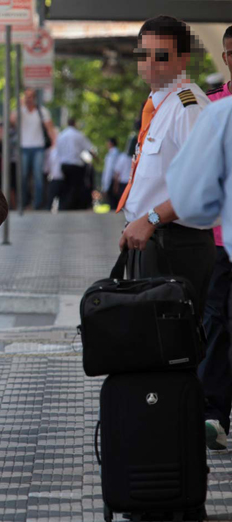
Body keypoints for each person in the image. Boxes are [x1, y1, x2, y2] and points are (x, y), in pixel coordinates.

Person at [116, 15, 214, 318]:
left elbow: (204, 185)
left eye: (161, 56)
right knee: (153, 347)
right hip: (152, 241)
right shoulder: (160, 102)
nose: (149, 63)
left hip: (176, 244)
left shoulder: (188, 106)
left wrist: (151, 218)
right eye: (143, 54)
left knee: (172, 349)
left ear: (183, 59)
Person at [191, 25, 232, 451]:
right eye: (229, 52)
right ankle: (214, 415)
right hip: (221, 239)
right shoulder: (213, 107)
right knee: (216, 323)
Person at [11, 88, 55, 210]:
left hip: (38, 148)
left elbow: (50, 129)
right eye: (26, 96)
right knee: (23, 176)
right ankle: (24, 202)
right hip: (23, 148)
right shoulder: (20, 111)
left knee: (38, 177)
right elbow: (12, 121)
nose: (28, 99)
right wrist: (19, 106)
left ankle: (38, 203)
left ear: (35, 98)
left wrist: (54, 144)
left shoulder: (42, 111)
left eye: (31, 96)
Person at [55, 118, 94, 210]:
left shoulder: (61, 135)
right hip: (76, 164)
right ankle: (73, 205)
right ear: (75, 123)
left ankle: (66, 205)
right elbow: (89, 148)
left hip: (64, 164)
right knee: (76, 186)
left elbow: (58, 150)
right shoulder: (79, 135)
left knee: (67, 186)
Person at [101, 137, 120, 206]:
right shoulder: (119, 153)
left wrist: (105, 186)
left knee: (113, 203)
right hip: (119, 180)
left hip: (112, 181)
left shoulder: (111, 155)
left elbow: (109, 170)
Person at [46, 141, 64, 212]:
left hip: (62, 178)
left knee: (62, 201)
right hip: (54, 178)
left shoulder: (56, 152)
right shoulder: (51, 152)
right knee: (51, 198)